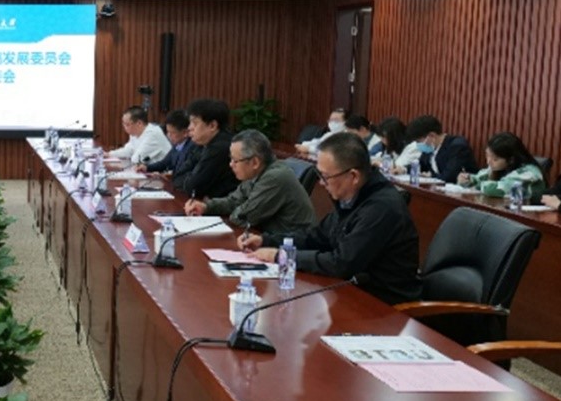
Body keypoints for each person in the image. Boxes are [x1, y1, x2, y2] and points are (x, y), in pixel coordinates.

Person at [239, 132, 421, 305]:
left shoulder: (381, 208)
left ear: (353, 176)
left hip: (384, 305)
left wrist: (282, 256)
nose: (321, 183)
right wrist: (267, 240)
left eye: (326, 177)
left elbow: (341, 263)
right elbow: (315, 237)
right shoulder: (352, 198)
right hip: (352, 294)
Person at [185, 130, 316, 234]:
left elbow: (244, 217)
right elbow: (233, 201)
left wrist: (236, 211)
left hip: (291, 247)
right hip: (266, 238)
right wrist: (206, 206)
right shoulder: (256, 172)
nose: (231, 165)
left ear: (254, 162)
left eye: (235, 160)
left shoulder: (275, 177)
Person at [173, 98, 239, 199]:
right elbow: (177, 177)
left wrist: (190, 178)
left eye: (195, 123)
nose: (189, 128)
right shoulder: (201, 144)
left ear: (212, 125)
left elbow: (194, 187)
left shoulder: (220, 148)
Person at [458, 132, 546, 199]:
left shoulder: (529, 172)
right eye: (487, 156)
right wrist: (467, 179)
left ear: (511, 160)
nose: (488, 162)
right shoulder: (500, 167)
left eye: (495, 159)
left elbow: (496, 189)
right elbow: (479, 178)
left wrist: (477, 185)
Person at [405, 114, 477, 183]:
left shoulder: (457, 146)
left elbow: (449, 177)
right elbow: (420, 165)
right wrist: (404, 169)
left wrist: (431, 176)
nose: (417, 145)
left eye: (419, 141)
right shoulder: (430, 148)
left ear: (432, 135)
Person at [137, 110, 193, 175]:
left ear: (185, 133)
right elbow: (164, 163)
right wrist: (147, 167)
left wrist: (165, 175)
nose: (168, 135)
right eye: (168, 132)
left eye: (172, 133)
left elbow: (183, 173)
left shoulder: (192, 148)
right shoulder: (177, 145)